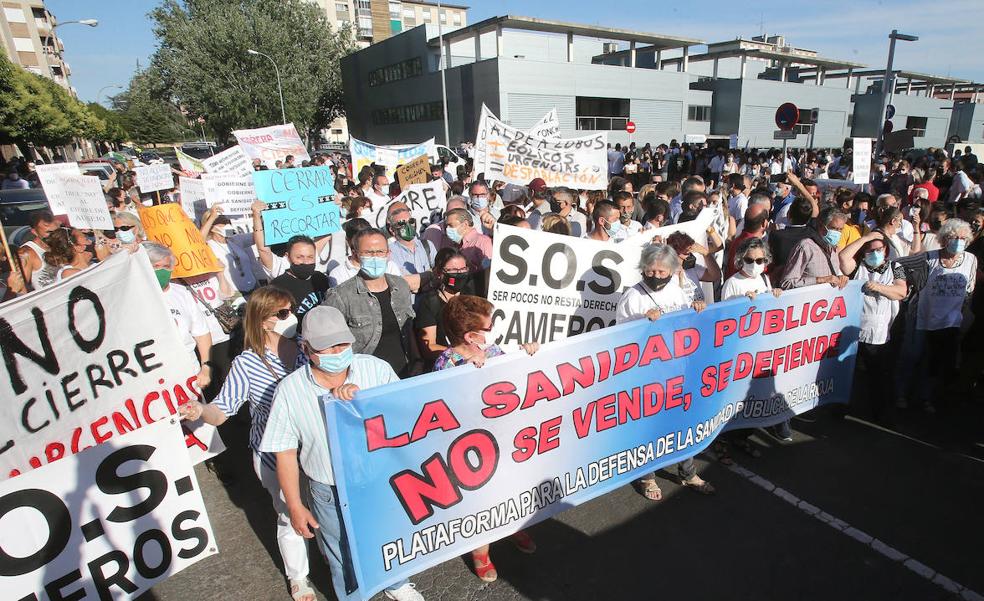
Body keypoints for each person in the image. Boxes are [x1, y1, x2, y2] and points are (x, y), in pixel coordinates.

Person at [259, 306, 425, 601]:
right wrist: (295, 506)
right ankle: (353, 595)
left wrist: (363, 404)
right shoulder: (289, 390)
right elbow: (285, 452)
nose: (338, 351)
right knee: (340, 550)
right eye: (327, 347)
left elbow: (405, 415)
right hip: (328, 488)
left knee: (388, 535)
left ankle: (397, 583)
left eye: (343, 344)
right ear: (306, 348)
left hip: (379, 479)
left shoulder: (375, 368)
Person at [179, 286, 314, 601]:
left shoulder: (306, 348)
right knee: (287, 512)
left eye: (291, 310)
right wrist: (200, 410)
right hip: (273, 452)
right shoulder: (246, 363)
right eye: (281, 313)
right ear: (263, 319)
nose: (289, 317)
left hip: (314, 446)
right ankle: (299, 577)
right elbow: (222, 411)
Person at [432, 295, 538, 582]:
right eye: (489, 327)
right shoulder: (446, 363)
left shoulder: (494, 352)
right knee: (481, 498)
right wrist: (466, 372)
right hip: (472, 446)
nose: (495, 331)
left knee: (509, 487)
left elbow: (517, 373)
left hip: (504, 436)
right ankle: (481, 551)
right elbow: (446, 407)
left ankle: (512, 527)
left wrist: (527, 353)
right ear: (471, 336)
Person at [615, 244, 713, 499]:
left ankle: (687, 472)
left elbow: (686, 322)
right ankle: (647, 477)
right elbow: (618, 338)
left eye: (662, 271)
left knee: (682, 423)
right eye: (652, 271)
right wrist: (641, 320)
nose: (656, 276)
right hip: (647, 376)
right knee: (650, 428)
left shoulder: (676, 290)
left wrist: (697, 309)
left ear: (671, 271)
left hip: (677, 369)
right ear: (643, 269)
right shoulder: (632, 297)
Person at [322, 228, 415, 376]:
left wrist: (417, 362)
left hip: (404, 372)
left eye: (380, 252)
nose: (375, 257)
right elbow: (327, 343)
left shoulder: (401, 286)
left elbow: (409, 330)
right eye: (368, 253)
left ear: (388, 254)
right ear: (356, 254)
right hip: (365, 378)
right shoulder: (341, 295)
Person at [838, 231, 907, 423]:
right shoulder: (858, 267)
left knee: (878, 376)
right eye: (870, 250)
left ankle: (880, 413)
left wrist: (879, 288)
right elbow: (843, 257)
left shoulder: (896, 267)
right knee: (846, 373)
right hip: (852, 328)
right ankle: (840, 407)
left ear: (886, 250)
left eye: (879, 249)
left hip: (878, 333)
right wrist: (866, 238)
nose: (875, 253)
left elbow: (901, 291)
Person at [916, 219, 977, 413]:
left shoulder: (970, 259)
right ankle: (918, 396)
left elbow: (970, 288)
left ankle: (937, 397)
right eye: (953, 237)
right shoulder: (929, 257)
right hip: (927, 317)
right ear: (944, 238)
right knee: (920, 357)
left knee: (946, 361)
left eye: (962, 238)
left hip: (953, 321)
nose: (958, 241)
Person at [143, 241, 212, 390]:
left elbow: (201, 334)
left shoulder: (181, 293)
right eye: (155, 266)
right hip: (153, 379)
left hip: (188, 373)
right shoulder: (135, 296)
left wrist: (205, 367)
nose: (161, 271)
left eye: (166, 267)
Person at [414, 248, 470, 363]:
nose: (459, 274)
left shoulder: (472, 294)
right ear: (439, 273)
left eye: (463, 269)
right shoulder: (429, 302)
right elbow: (429, 347)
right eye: (453, 270)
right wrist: (462, 354)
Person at [200, 205, 262, 296]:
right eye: (223, 222)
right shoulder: (209, 246)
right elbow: (198, 240)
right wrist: (212, 217)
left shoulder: (235, 240)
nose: (227, 225)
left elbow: (258, 236)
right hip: (235, 295)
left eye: (227, 221)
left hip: (254, 288)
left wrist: (257, 216)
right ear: (212, 227)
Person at [270, 236, 330, 323]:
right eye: (299, 257)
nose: (305, 262)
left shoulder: (320, 278)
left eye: (310, 257)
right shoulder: (278, 286)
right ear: (288, 257)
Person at [385, 202, 435, 295]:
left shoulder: (427, 245)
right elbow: (398, 284)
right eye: (401, 223)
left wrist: (414, 282)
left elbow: (439, 274)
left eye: (411, 221)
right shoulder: (388, 253)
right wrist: (429, 274)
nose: (408, 226)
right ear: (392, 229)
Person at [7, 209, 60, 293]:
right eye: (49, 232)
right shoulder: (26, 253)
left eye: (57, 231)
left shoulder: (62, 245)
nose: (54, 236)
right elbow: (20, 289)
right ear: (34, 232)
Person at [444, 208, 492, 273]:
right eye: (446, 226)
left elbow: (489, 271)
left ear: (465, 224)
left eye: (450, 225)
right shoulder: (455, 245)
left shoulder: (483, 242)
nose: (447, 229)